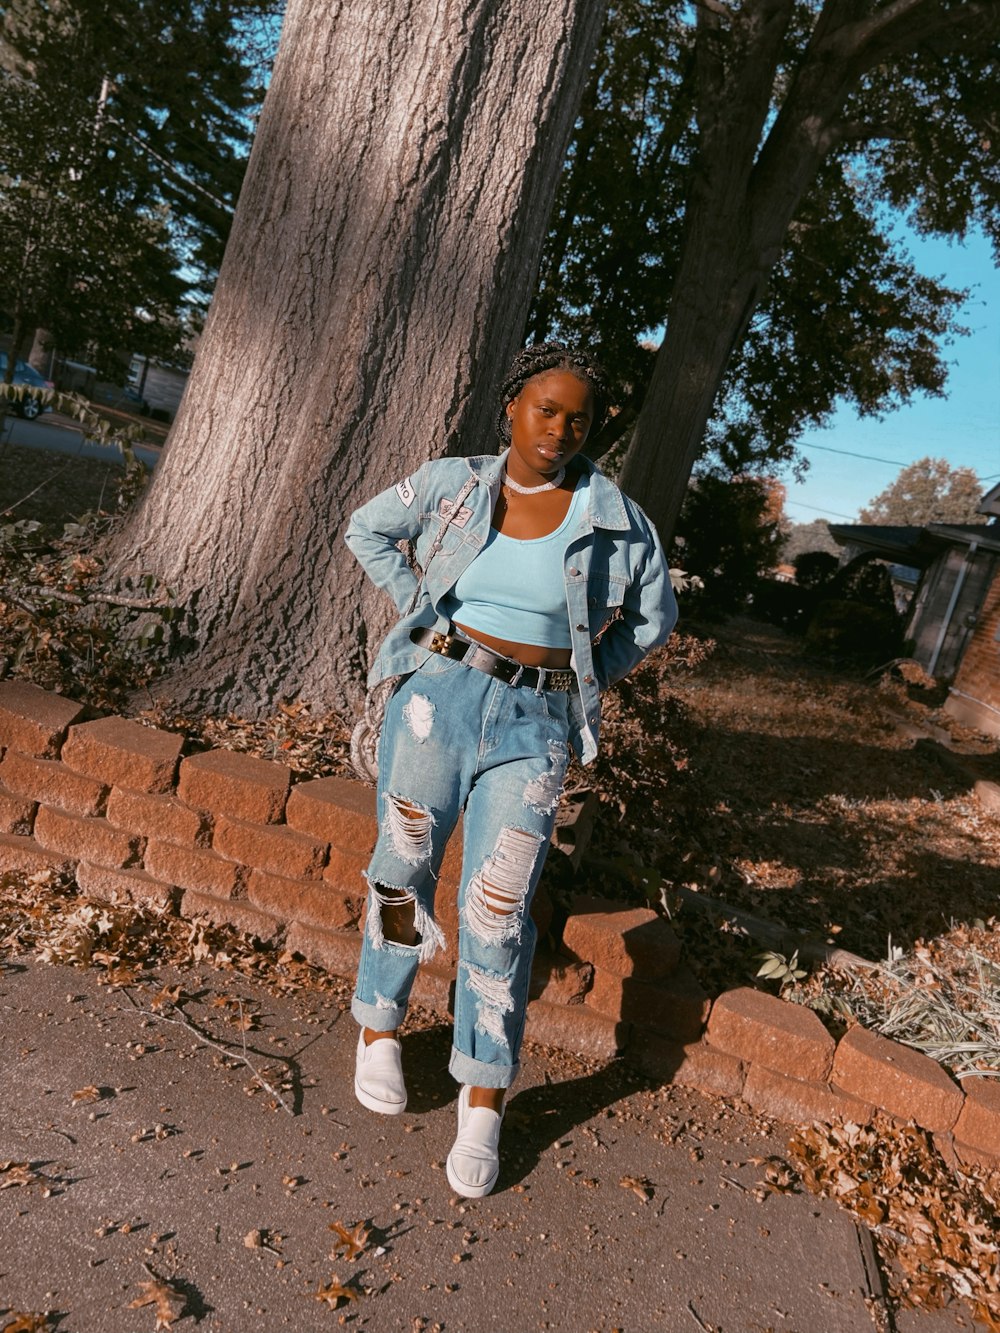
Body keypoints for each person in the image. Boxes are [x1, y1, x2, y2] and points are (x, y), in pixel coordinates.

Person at [344, 343, 677, 1198]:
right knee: (402, 867)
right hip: (439, 696)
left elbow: (652, 617)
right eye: (546, 408)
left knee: (499, 908)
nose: (560, 428)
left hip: (538, 721)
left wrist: (585, 678)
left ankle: (484, 1091)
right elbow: (369, 528)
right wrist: (422, 611)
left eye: (579, 417)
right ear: (512, 407)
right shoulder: (455, 483)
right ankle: (380, 1026)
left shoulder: (616, 519)